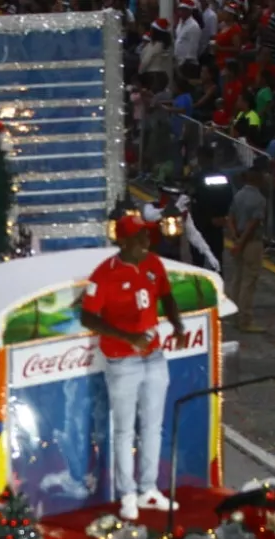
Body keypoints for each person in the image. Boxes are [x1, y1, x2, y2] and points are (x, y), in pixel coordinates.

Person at [80, 215, 186, 521]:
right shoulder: (105, 274)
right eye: (140, 237)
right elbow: (87, 317)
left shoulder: (153, 263)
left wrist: (178, 326)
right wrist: (128, 338)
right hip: (122, 360)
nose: (146, 242)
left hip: (154, 355)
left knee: (153, 426)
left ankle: (148, 488)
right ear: (124, 242)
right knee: (125, 429)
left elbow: (166, 295)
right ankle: (127, 493)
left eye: (146, 236)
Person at [226, 163, 268, 332]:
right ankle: (245, 319)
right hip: (252, 242)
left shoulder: (238, 195)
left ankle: (234, 315)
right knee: (249, 281)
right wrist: (242, 242)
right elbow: (253, 224)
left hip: (238, 237)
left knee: (237, 278)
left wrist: (235, 238)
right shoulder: (260, 199)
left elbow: (230, 217)